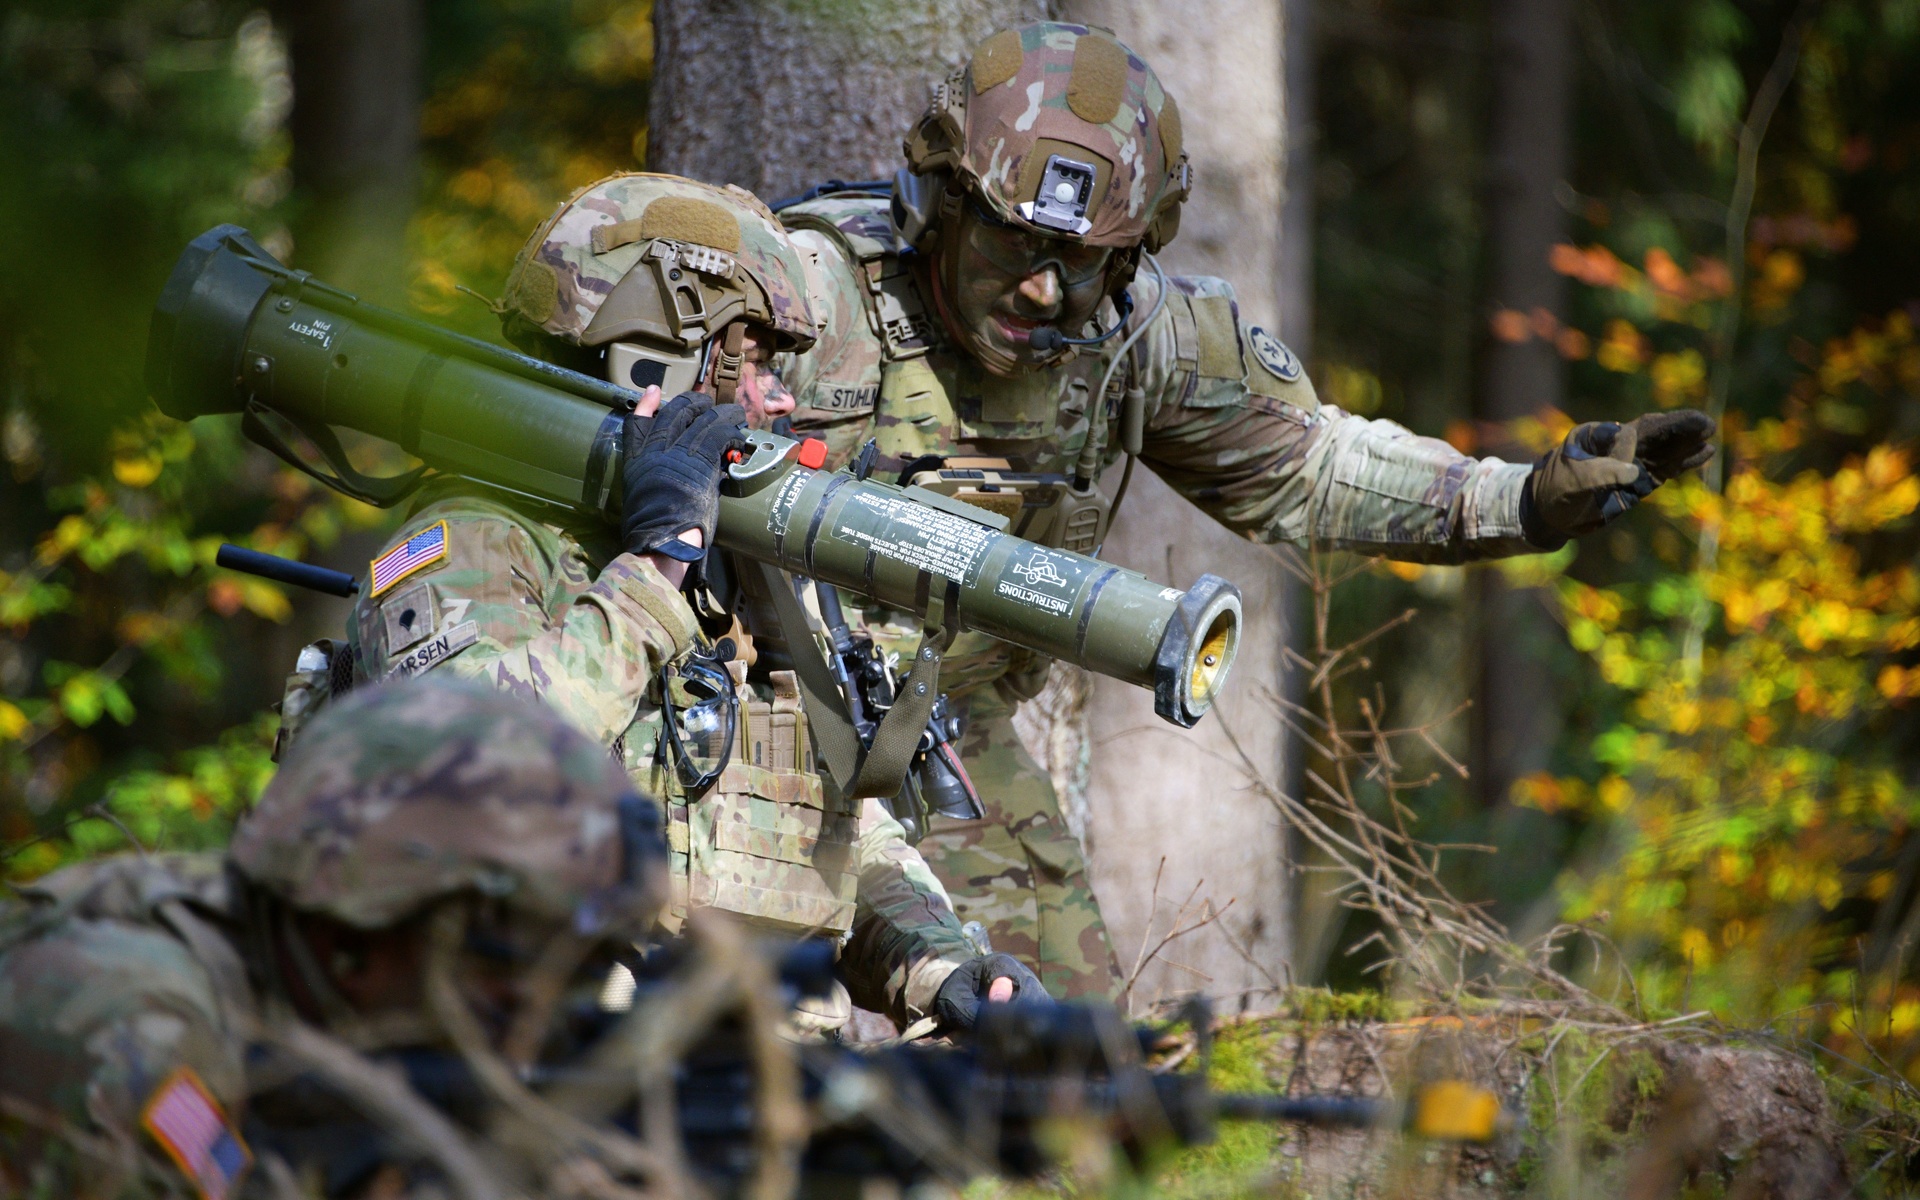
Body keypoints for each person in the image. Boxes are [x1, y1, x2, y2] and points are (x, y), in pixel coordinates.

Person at [768, 21, 1718, 999]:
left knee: (1055, 1055)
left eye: (1086, 259)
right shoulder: (811, 295)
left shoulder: (1134, 339)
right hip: (760, 729)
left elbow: (1310, 467)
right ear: (948, 199)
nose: (1045, 287)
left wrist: (1523, 500)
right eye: (1015, 239)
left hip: (942, 741)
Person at [334, 173, 1037, 1035]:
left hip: (761, 1082)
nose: (780, 397)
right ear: (653, 358)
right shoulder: (474, 543)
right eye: (753, 361)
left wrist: (942, 968)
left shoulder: (742, 571)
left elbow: (827, 825)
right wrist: (654, 566)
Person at [0, 680, 676, 1197]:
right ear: (372, 921)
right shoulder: (128, 1026)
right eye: (509, 963)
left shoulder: (274, 966)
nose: (533, 1016)